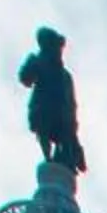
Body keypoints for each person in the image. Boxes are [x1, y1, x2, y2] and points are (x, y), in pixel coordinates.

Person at [18, 27, 88, 174]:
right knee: (43, 131)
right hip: (43, 109)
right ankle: (49, 158)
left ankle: (64, 160)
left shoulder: (65, 76)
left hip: (62, 116)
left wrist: (72, 122)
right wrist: (30, 64)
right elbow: (25, 79)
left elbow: (71, 102)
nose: (58, 50)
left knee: (65, 144)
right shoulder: (39, 61)